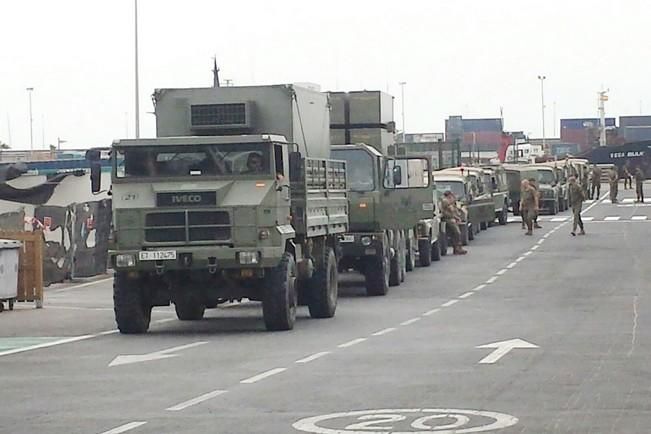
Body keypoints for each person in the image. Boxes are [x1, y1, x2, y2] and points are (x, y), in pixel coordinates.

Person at [440, 191, 467, 255]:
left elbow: (453, 211)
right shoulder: (445, 201)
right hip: (448, 219)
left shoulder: (449, 202)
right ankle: (458, 248)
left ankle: (457, 248)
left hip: (451, 219)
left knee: (454, 234)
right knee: (457, 233)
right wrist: (456, 217)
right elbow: (448, 212)